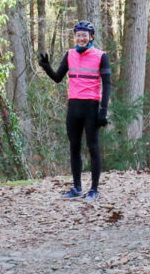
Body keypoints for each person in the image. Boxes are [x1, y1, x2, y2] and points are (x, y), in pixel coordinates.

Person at [38, 20, 111, 201]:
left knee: (93, 147)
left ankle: (94, 189)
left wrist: (103, 110)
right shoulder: (69, 54)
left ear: (91, 37)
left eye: (84, 35)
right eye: (78, 35)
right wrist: (46, 67)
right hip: (73, 106)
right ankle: (77, 187)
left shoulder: (101, 56)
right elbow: (57, 78)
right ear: (75, 37)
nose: (81, 38)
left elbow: (107, 84)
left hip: (91, 106)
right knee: (74, 148)